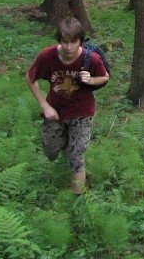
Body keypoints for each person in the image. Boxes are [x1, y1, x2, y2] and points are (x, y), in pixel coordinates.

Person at [26, 17, 109, 195]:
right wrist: (45, 106)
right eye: (65, 42)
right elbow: (30, 78)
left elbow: (105, 77)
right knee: (51, 149)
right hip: (55, 111)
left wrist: (91, 79)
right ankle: (68, 148)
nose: (69, 47)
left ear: (80, 41)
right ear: (59, 41)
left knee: (76, 155)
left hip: (82, 111)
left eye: (74, 42)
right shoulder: (47, 56)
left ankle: (77, 199)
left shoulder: (91, 58)